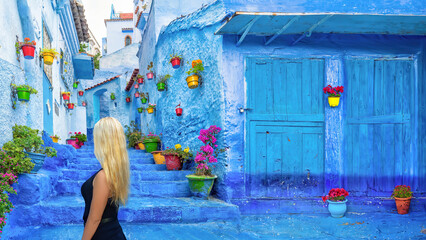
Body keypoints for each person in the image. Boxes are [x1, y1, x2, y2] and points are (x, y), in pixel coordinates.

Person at [81, 117, 130, 240]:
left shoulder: (103, 176)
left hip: (103, 234)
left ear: (103, 140)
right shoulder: (114, 172)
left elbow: (94, 219)